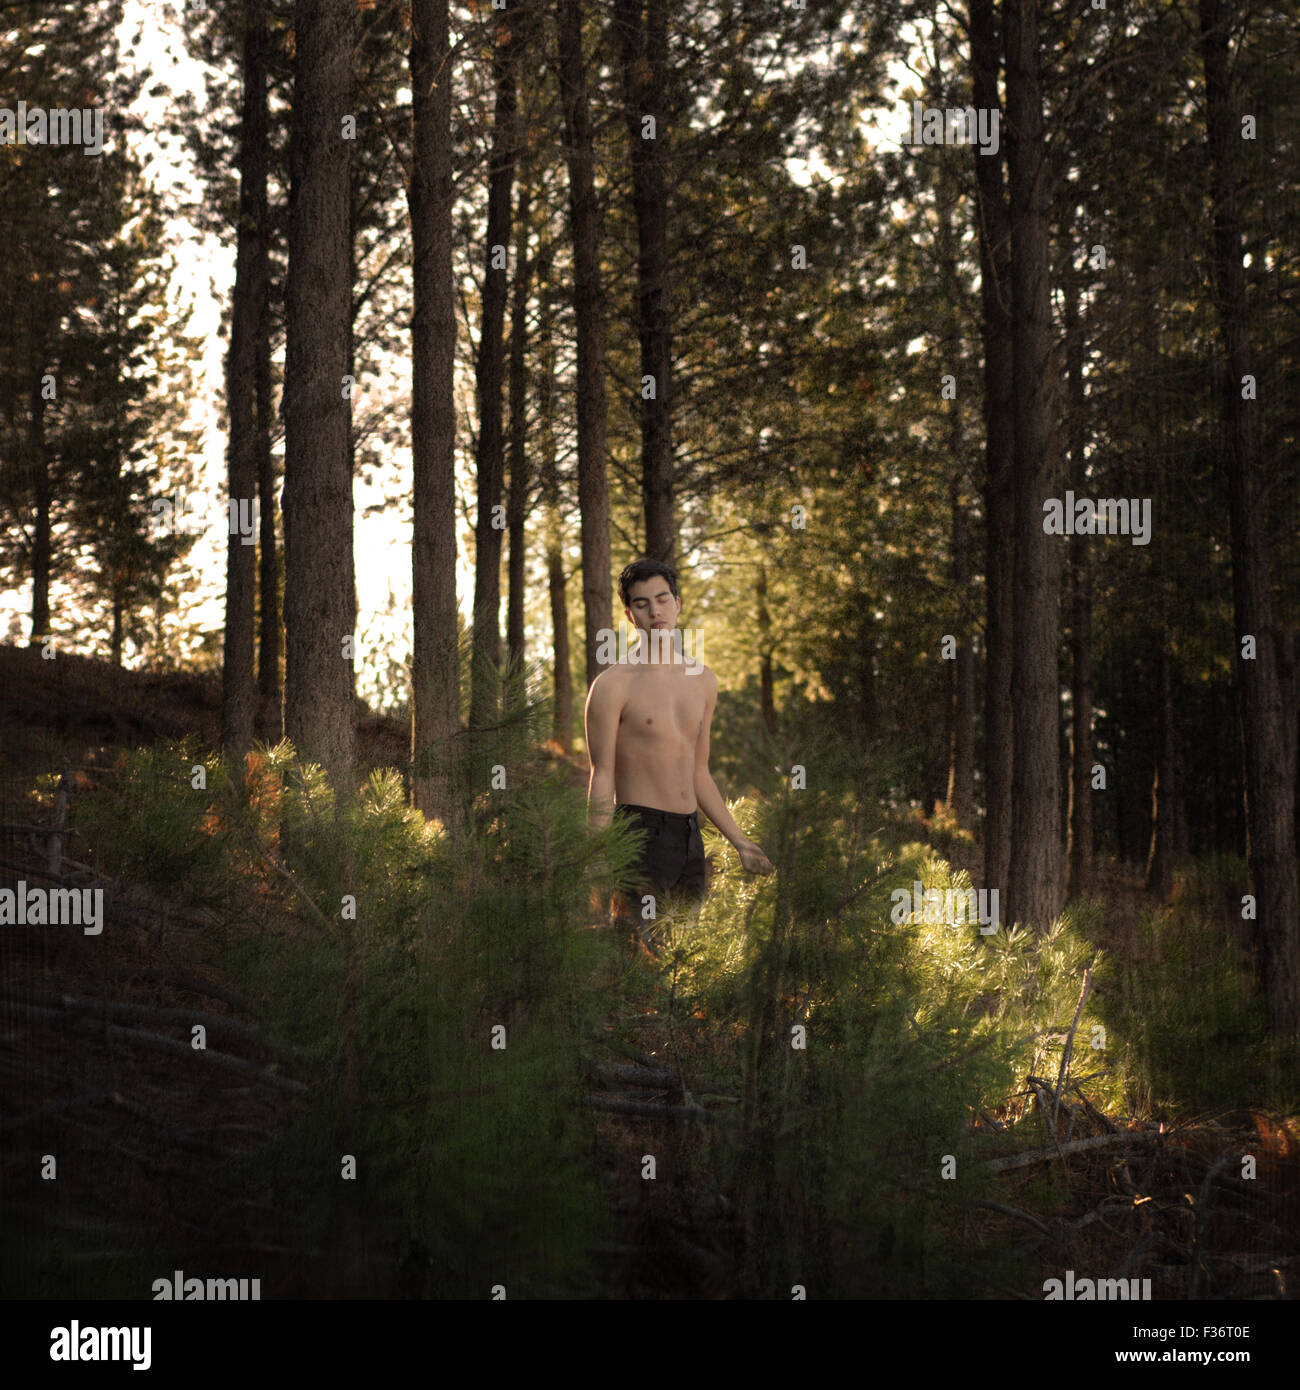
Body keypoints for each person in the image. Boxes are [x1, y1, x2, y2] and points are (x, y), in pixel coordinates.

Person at [584, 559, 774, 948]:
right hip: (638, 835)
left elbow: (699, 772)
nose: (655, 611)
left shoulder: (703, 680)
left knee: (685, 959)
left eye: (662, 599)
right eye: (641, 604)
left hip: (690, 835)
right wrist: (597, 852)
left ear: (678, 603)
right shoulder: (612, 685)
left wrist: (739, 840)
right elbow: (601, 775)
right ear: (629, 614)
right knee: (637, 952)